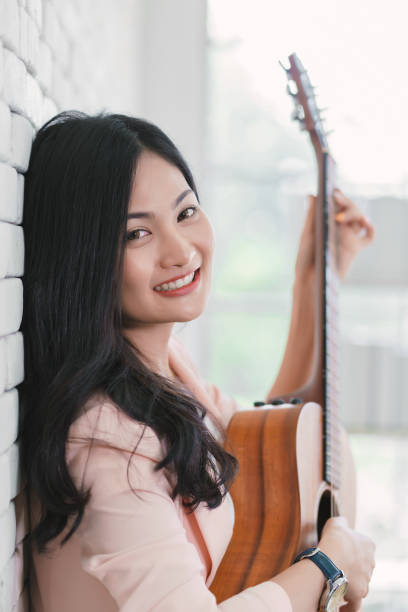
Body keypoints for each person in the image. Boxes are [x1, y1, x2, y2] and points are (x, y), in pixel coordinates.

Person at [21, 111, 375, 612]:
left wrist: (315, 275)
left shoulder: (161, 371)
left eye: (186, 213)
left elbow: (272, 450)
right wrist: (328, 566)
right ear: (82, 256)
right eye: (136, 234)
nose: (181, 250)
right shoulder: (106, 439)